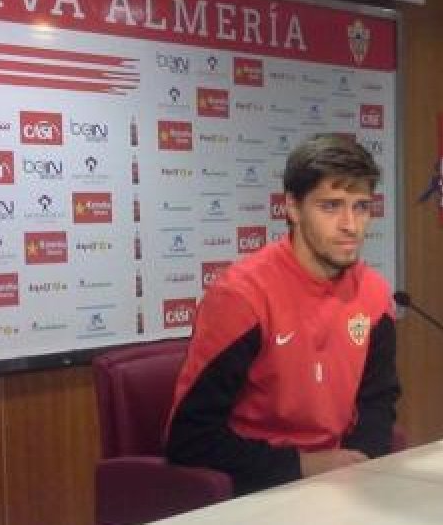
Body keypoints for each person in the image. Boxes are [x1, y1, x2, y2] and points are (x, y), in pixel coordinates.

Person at [165, 133, 401, 495]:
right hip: (257, 486)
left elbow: (377, 404)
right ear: (291, 207)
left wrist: (362, 465)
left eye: (361, 207)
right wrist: (303, 465)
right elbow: (189, 438)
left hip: (340, 486)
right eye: (331, 206)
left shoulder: (375, 293)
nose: (351, 225)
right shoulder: (241, 297)